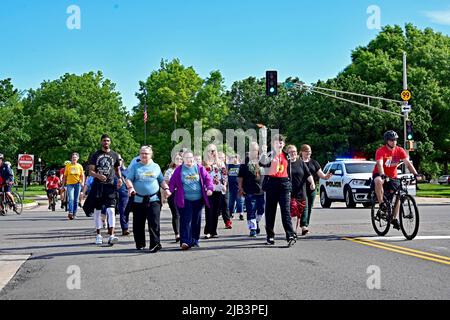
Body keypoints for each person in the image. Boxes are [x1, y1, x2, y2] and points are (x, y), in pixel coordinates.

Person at [126, 146, 171, 252]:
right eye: (142, 153)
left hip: (154, 198)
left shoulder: (156, 166)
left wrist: (166, 189)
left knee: (154, 222)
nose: (144, 155)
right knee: (138, 223)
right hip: (138, 199)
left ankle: (155, 244)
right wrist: (130, 188)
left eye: (146, 153)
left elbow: (161, 180)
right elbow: (128, 179)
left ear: (151, 155)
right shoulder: (135, 167)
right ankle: (140, 243)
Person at [372, 130, 421, 230]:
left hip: (393, 176)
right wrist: (382, 174)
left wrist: (415, 174)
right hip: (380, 174)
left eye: (395, 140)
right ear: (387, 141)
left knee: (398, 194)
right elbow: (380, 164)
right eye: (391, 140)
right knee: (378, 181)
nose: (394, 142)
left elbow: (407, 163)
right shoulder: (381, 151)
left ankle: (393, 218)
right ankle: (381, 204)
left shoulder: (400, 150)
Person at [169, 150, 214, 250]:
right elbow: (172, 183)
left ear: (193, 158)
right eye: (186, 158)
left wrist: (210, 189)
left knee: (196, 220)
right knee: (185, 220)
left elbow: (208, 179)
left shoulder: (199, 168)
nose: (188, 160)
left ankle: (194, 240)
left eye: (190, 158)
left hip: (198, 200)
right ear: (183, 159)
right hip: (185, 199)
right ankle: (184, 241)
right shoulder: (179, 170)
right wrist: (169, 191)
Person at [259, 134, 296, 247]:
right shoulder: (270, 155)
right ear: (273, 144)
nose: (279, 144)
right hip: (271, 183)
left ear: (283, 144)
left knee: (285, 211)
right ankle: (270, 236)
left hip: (284, 184)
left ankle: (290, 235)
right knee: (270, 211)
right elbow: (262, 163)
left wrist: (290, 184)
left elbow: (290, 171)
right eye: (276, 142)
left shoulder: (287, 156)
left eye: (280, 142)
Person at [88, 134, 123, 246]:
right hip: (98, 186)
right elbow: (90, 172)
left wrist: (120, 179)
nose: (106, 142)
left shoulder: (114, 155)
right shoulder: (95, 155)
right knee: (97, 212)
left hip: (110, 186)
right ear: (101, 142)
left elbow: (117, 169)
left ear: (110, 142)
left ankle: (112, 235)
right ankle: (98, 235)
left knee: (111, 210)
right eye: (104, 141)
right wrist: (98, 176)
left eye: (108, 141)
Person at [299, 144, 332, 235]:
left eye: (309, 151)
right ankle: (304, 225)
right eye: (306, 151)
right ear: (301, 152)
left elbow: (321, 174)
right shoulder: (298, 162)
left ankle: (306, 225)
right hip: (301, 187)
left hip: (312, 187)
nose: (308, 153)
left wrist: (326, 176)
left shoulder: (314, 162)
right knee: (305, 206)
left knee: (309, 206)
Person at [286, 145, 316, 234]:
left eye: (294, 151)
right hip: (290, 194)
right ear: (287, 154)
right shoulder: (286, 164)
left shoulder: (301, 163)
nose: (293, 153)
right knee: (294, 213)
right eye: (290, 152)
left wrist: (312, 183)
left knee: (300, 212)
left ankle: (297, 227)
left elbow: (308, 174)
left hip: (301, 193)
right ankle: (293, 232)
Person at [238, 142, 265, 237]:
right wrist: (240, 188)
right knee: (251, 209)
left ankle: (256, 222)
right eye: (253, 150)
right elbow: (240, 177)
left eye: (256, 150)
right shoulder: (244, 162)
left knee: (261, 209)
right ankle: (252, 229)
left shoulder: (262, 160)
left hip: (261, 190)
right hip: (249, 190)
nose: (255, 152)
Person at [203, 144, 229, 238]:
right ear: (207, 152)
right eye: (210, 151)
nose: (212, 152)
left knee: (216, 211)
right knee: (209, 210)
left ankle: (213, 231)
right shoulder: (204, 163)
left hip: (218, 188)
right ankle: (208, 231)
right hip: (208, 190)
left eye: (214, 150)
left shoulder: (220, 163)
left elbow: (225, 175)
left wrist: (224, 185)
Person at [164, 152, 183, 242]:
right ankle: (177, 234)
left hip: (183, 194)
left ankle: (184, 232)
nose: (179, 160)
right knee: (176, 214)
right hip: (173, 194)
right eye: (177, 159)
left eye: (180, 159)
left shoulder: (186, 170)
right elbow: (166, 183)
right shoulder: (169, 171)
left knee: (184, 213)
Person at [62, 153, 85, 220]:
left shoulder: (79, 166)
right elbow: (65, 176)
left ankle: (74, 213)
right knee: (71, 198)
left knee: (76, 200)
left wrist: (82, 182)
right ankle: (70, 212)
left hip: (77, 184)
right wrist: (63, 185)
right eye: (73, 157)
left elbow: (82, 175)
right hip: (69, 184)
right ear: (71, 158)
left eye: (75, 157)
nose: (74, 159)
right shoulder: (68, 166)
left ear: (78, 158)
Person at [228, 154, 244, 220]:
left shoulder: (240, 166)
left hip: (239, 187)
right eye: (231, 158)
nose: (232, 160)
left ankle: (241, 213)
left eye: (234, 158)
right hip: (231, 187)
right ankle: (230, 213)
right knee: (231, 201)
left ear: (237, 159)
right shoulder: (229, 166)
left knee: (240, 201)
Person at [117, 156, 130, 236]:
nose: (118, 161)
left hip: (124, 193)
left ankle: (125, 228)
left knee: (123, 210)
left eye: (119, 160)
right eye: (116, 160)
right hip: (113, 192)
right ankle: (110, 227)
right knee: (111, 211)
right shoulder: (112, 170)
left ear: (122, 161)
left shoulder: (127, 171)